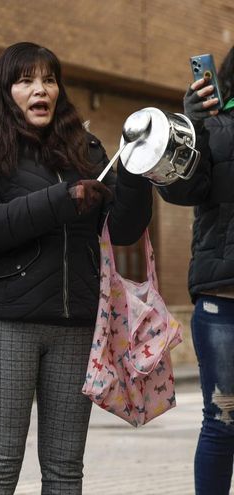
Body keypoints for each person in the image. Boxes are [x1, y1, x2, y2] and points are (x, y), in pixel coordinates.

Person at [0, 42, 153, 494]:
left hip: (75, 323)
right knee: (0, 462)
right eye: (26, 80)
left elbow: (125, 229)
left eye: (49, 79)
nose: (41, 89)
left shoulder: (86, 149)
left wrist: (135, 170)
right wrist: (61, 199)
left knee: (64, 468)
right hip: (3, 320)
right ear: (5, 89)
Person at [159, 45, 234, 495]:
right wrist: (192, 130)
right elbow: (178, 192)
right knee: (223, 418)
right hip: (223, 300)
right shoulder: (214, 127)